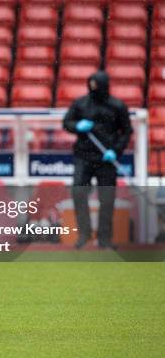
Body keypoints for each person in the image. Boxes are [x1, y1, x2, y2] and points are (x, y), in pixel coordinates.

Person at [63, 70, 132, 249]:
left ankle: (105, 239)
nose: (93, 88)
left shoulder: (117, 106)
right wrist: (77, 125)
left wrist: (115, 150)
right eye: (91, 84)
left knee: (107, 198)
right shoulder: (80, 104)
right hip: (83, 156)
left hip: (106, 159)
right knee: (78, 192)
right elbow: (67, 122)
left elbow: (126, 132)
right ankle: (84, 234)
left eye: (96, 85)